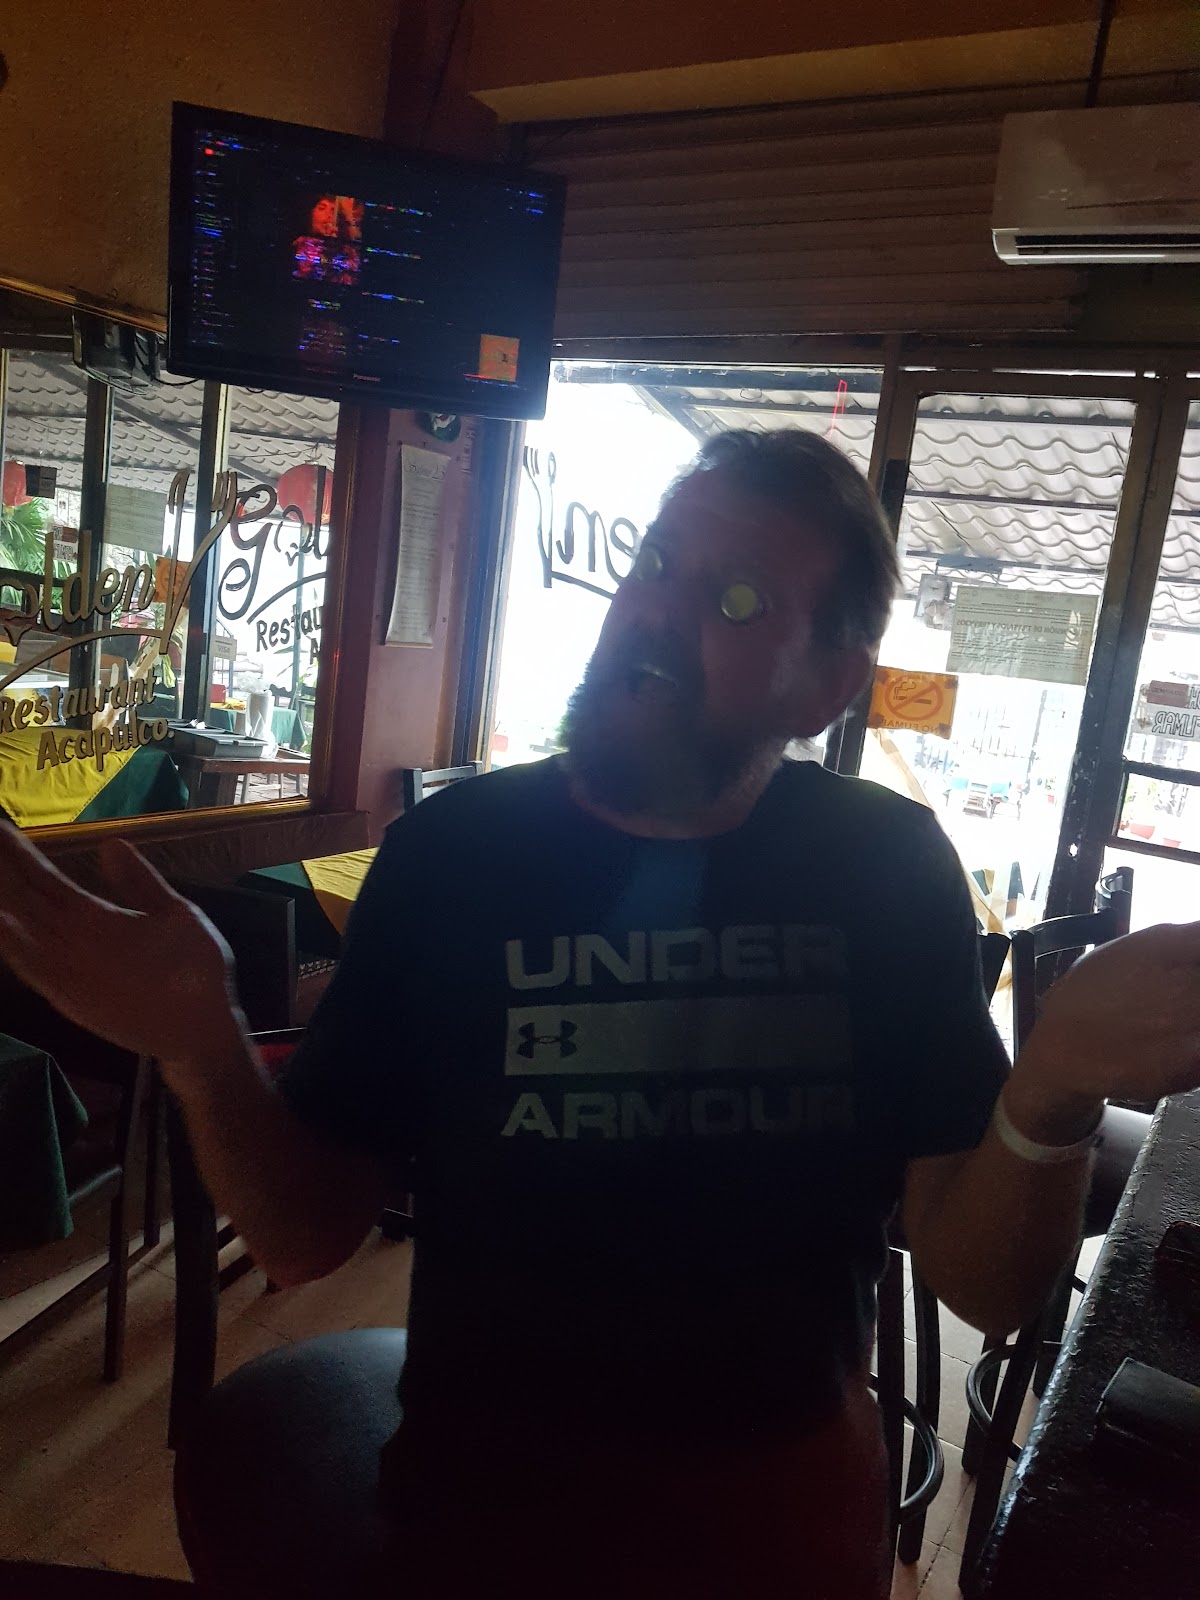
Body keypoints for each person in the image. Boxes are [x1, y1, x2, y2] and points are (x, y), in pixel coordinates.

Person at [2, 430, 1199, 1599]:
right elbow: (306, 1235)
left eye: (736, 598)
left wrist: (1051, 1088)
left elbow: (983, 1285)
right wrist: (205, 1044)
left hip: (785, 1517)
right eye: (658, 561)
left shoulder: (886, 865)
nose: (659, 612)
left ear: (831, 683)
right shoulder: (450, 857)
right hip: (481, 1518)